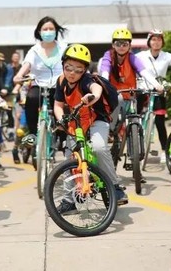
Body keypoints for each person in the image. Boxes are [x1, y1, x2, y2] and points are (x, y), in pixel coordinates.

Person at [53, 43, 129, 211]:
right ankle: (69, 200)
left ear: (85, 70)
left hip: (96, 119)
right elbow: (58, 105)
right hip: (76, 121)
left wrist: (92, 96)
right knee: (69, 160)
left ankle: (115, 187)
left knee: (99, 147)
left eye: (78, 70)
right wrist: (61, 119)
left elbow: (96, 88)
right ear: (63, 65)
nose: (72, 73)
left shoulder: (86, 80)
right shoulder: (61, 81)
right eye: (68, 67)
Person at [98, 28, 164, 141]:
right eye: (118, 44)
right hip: (113, 95)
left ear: (129, 46)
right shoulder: (108, 55)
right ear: (113, 45)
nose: (121, 47)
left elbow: (143, 71)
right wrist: (104, 84)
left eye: (125, 44)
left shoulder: (132, 57)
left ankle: (134, 139)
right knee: (116, 107)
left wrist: (157, 85)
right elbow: (105, 71)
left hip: (130, 95)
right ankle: (111, 129)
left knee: (134, 115)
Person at [13, 16, 67, 150]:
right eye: (45, 29)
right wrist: (19, 75)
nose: (48, 32)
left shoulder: (63, 48)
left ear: (56, 31)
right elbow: (27, 65)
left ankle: (63, 137)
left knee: (65, 105)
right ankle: (33, 134)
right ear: (39, 32)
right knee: (31, 98)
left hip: (58, 86)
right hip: (39, 85)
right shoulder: (34, 50)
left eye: (51, 29)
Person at [135, 29, 171, 164]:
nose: (156, 42)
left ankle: (164, 150)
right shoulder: (140, 56)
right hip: (143, 90)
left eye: (159, 39)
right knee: (136, 119)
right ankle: (137, 147)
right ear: (149, 41)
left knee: (160, 122)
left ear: (163, 42)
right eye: (154, 39)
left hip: (159, 91)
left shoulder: (166, 56)